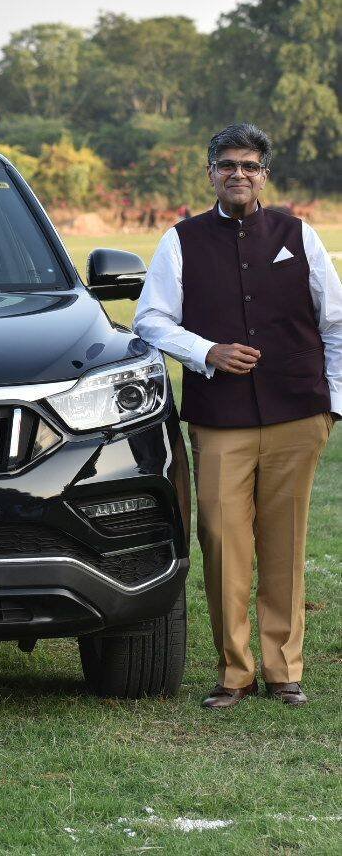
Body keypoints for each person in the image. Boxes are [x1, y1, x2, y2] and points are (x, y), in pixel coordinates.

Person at [134, 123, 341, 709]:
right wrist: (207, 352)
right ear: (211, 174)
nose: (238, 174)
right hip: (220, 418)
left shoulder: (298, 235)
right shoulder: (181, 240)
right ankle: (235, 673)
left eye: (250, 165)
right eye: (227, 165)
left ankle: (284, 671)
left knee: (285, 541)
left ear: (264, 175)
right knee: (222, 541)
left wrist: (334, 405)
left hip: (297, 412)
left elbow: (335, 322)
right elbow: (150, 320)